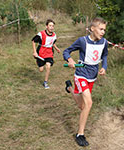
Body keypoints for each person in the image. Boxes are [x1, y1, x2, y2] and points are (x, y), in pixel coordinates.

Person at [63, 17, 108, 147]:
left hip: (92, 76)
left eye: (104, 30)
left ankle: (70, 89)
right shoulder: (82, 41)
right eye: (100, 29)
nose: (103, 32)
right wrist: (70, 60)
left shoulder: (104, 42)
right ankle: (80, 134)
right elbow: (66, 51)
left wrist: (104, 67)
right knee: (88, 103)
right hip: (81, 74)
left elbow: (104, 55)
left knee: (82, 106)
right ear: (92, 29)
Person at [32, 19, 61, 89]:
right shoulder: (41, 34)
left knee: (48, 66)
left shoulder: (54, 35)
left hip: (49, 52)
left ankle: (45, 82)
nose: (51, 27)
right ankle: (40, 63)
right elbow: (33, 41)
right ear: (46, 26)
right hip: (41, 52)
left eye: (53, 26)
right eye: (50, 25)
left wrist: (56, 48)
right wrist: (35, 52)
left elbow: (52, 42)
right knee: (41, 69)